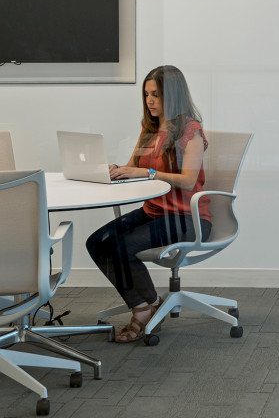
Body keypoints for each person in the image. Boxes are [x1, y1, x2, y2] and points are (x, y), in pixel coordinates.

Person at [86, 65, 211, 342]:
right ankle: (148, 303)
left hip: (187, 219)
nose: (149, 101)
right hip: (154, 212)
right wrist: (116, 169)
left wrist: (147, 173)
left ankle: (142, 310)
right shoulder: (150, 128)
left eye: (156, 95)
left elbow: (189, 180)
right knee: (97, 242)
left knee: (122, 247)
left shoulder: (192, 131)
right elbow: (133, 166)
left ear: (173, 96)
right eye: (146, 94)